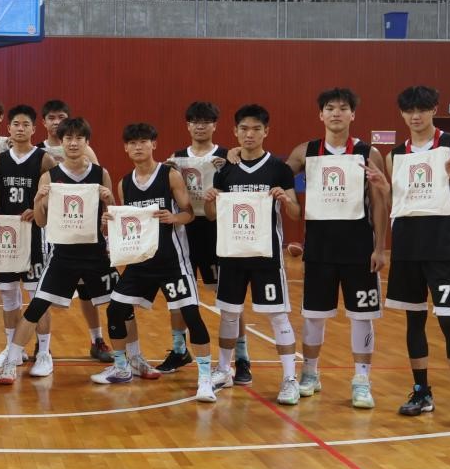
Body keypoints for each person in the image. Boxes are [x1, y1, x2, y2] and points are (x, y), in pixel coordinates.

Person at [381, 85, 450, 431]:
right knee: (414, 321)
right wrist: (382, 188)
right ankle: (421, 391)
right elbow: (398, 200)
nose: (415, 116)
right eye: (409, 110)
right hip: (407, 248)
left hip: (441, 248)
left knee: (449, 322)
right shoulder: (395, 155)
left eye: (422, 109)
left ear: (434, 109)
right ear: (402, 113)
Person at [282, 89, 387, 409]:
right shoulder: (305, 151)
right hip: (319, 248)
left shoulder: (368, 153)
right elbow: (277, 175)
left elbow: (380, 202)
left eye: (343, 108)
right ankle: (310, 374)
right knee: (313, 317)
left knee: (362, 317)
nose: (336, 113)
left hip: (359, 249)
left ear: (353, 114)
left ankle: (362, 380)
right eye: (330, 108)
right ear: (321, 115)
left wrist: (380, 247)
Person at [0, 117, 115, 385]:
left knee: (120, 307)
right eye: (68, 139)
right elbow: (40, 221)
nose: (73, 143)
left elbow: (110, 219)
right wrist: (39, 200)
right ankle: (11, 362)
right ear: (60, 142)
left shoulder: (101, 174)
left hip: (96, 253)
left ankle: (129, 360)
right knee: (36, 306)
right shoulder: (49, 176)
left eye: (78, 138)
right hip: (62, 254)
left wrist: (110, 202)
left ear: (87, 142)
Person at [102, 123, 216, 397]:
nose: (138, 147)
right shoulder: (125, 183)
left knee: (191, 315)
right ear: (126, 148)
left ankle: (205, 378)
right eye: (132, 143)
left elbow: (189, 213)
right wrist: (109, 222)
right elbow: (129, 222)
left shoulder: (170, 175)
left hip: (172, 262)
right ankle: (121, 367)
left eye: (143, 141)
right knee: (115, 310)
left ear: (153, 144)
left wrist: (174, 217)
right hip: (141, 262)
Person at [203, 104, 302, 405]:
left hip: (266, 256)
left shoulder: (279, 169)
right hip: (232, 254)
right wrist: (210, 200)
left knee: (278, 316)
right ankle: (224, 369)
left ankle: (290, 378)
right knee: (229, 314)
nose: (249, 134)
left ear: (266, 131)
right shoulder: (225, 170)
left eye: (256, 129)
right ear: (235, 131)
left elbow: (296, 213)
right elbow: (212, 215)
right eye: (244, 128)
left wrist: (285, 200)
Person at [165, 101, 252, 382]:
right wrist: (165, 171)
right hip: (185, 229)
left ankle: (242, 357)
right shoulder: (175, 158)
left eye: (206, 121)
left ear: (215, 125)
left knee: (229, 298)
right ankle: (179, 349)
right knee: (179, 293)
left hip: (218, 230)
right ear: (188, 125)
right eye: (195, 121)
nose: (200, 126)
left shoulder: (229, 156)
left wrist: (227, 169)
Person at [0, 105, 55, 375]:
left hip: (35, 235)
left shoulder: (44, 159)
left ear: (34, 129)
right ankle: (13, 349)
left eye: (26, 124)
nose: (21, 128)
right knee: (8, 296)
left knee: (38, 296)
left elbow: (56, 194)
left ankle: (44, 352)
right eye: (16, 124)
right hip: (6, 236)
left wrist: (39, 209)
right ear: (9, 128)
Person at [40, 99, 111, 363]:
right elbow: (40, 192)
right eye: (51, 117)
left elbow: (97, 188)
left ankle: (97, 339)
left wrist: (105, 225)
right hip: (55, 233)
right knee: (43, 294)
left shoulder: (87, 152)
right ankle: (42, 346)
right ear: (44, 122)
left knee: (88, 292)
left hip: (86, 233)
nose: (56, 121)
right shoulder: (39, 153)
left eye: (61, 117)